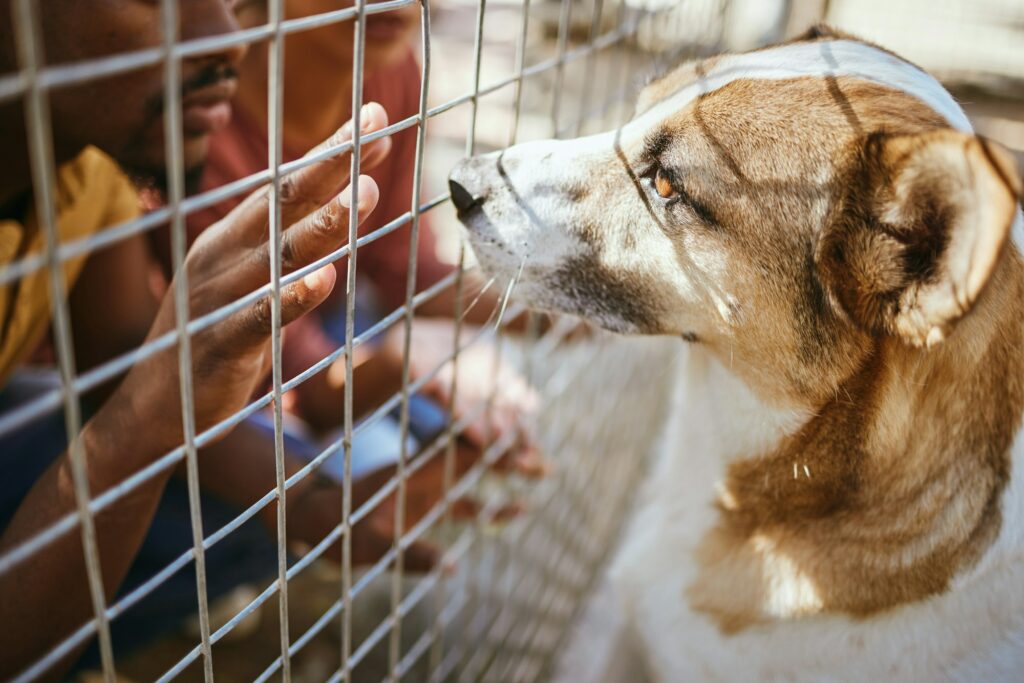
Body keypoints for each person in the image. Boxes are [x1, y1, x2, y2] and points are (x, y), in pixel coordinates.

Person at [0, 2, 538, 679]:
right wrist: (401, 358)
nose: (226, 34)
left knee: (287, 496)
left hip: (326, 342)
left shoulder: (93, 176)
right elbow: (212, 398)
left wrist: (313, 505)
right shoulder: (195, 132)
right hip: (304, 362)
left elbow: (123, 369)